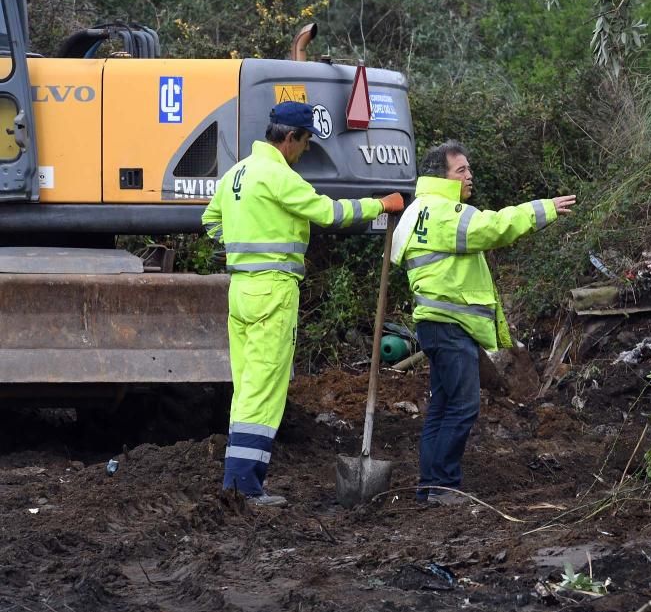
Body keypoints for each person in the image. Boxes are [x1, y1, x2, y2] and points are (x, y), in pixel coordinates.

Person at [202, 101, 405, 507]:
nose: (308, 148)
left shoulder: (236, 174)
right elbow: (328, 213)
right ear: (290, 138)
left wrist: (244, 241)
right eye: (307, 140)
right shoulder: (277, 175)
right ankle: (244, 487)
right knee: (264, 390)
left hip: (241, 290)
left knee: (246, 387)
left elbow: (210, 222)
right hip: (273, 290)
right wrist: (379, 205)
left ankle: (236, 483)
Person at [390, 140, 576, 506]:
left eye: (468, 169)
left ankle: (430, 486)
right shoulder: (446, 212)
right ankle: (442, 486)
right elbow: (495, 226)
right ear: (440, 177)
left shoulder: (417, 211)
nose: (469, 175)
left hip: (435, 325)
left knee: (443, 407)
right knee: (462, 406)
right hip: (449, 325)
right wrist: (544, 210)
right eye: (461, 170)